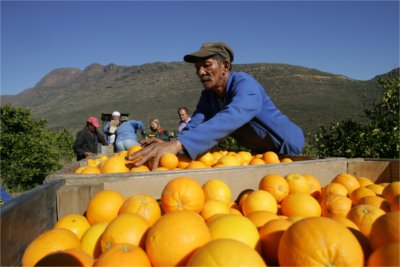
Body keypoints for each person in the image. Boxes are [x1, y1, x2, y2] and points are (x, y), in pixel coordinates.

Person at [128, 42, 304, 169]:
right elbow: (194, 125)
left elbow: (233, 116)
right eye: (197, 68)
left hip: (288, 148)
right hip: (262, 155)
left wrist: (179, 144)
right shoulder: (208, 97)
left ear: (225, 66)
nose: (200, 72)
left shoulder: (245, 85)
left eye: (206, 65)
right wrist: (173, 143)